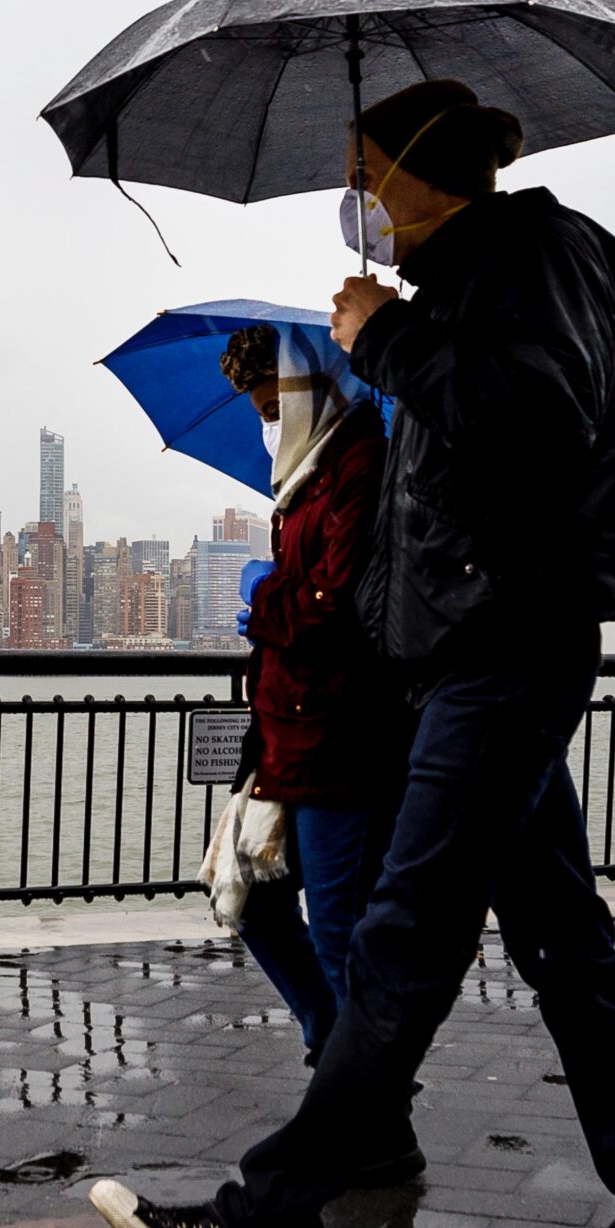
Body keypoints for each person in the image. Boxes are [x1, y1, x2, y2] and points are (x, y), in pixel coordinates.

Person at [92, 79, 615, 1228]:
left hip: (506, 651)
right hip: (474, 656)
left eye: (364, 166)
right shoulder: (481, 284)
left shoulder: (530, 259)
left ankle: (261, 1227)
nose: (357, 196)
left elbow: (540, 416)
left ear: (423, 172)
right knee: (564, 949)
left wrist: (383, 337)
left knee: (400, 942)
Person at [210, 326, 408, 1155]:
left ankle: (372, 1122)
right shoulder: (304, 476)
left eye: (269, 406)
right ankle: (342, 1067)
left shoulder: (363, 461)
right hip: (287, 735)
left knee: (339, 929)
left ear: (305, 388)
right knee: (251, 903)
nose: (264, 425)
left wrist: (263, 603)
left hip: (343, 737)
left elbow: (336, 605)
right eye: (256, 412)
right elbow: (310, 592)